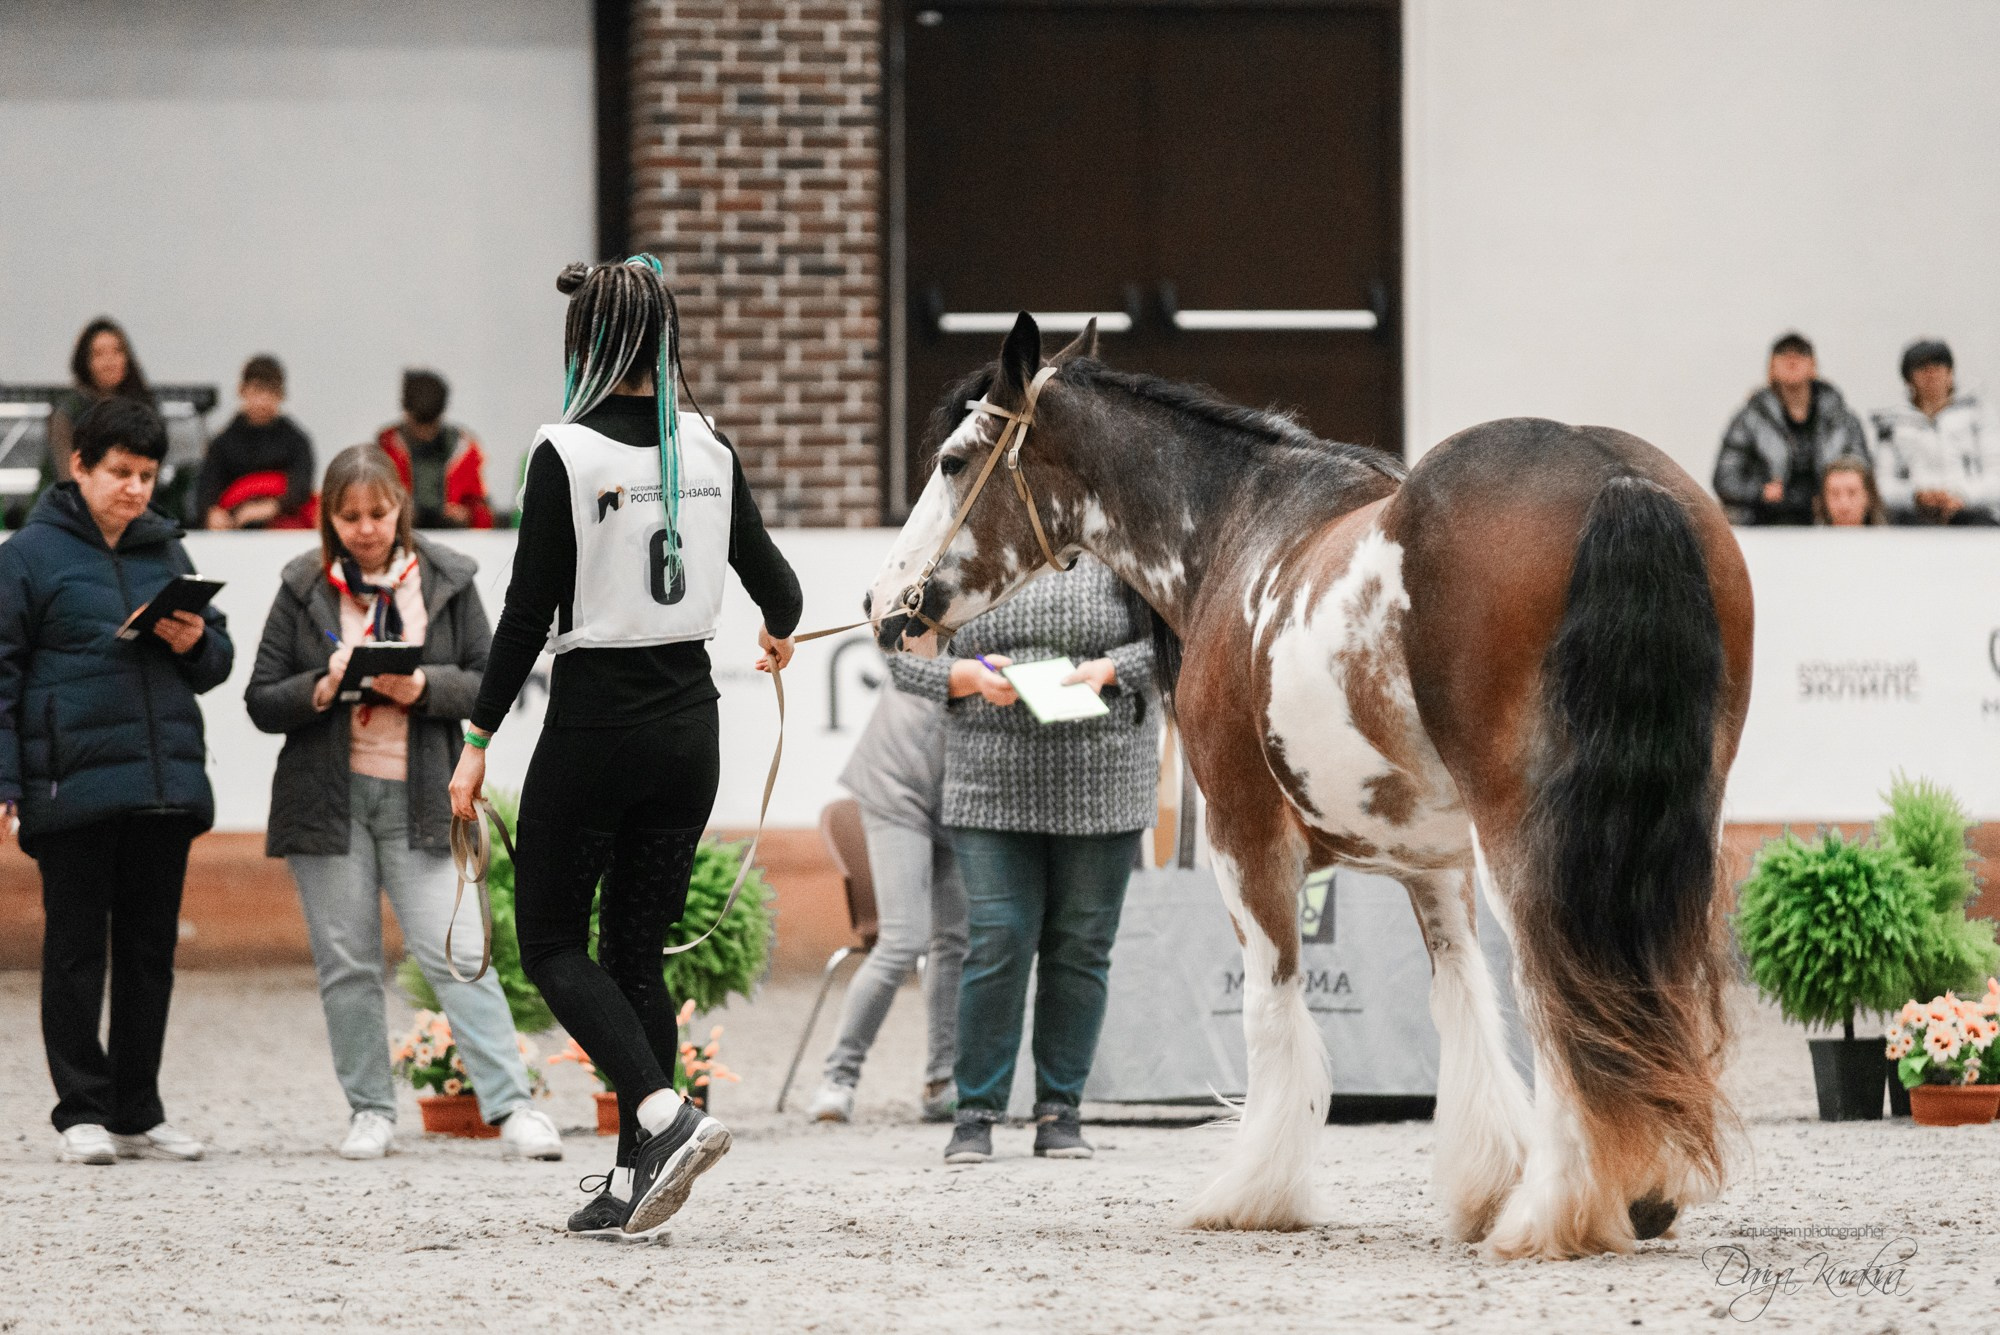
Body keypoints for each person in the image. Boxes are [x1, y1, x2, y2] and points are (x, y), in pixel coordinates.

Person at [449, 255, 802, 1240]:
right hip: (691, 725)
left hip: (597, 724)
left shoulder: (564, 451)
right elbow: (777, 585)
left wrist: (475, 737)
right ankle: (631, 1176)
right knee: (634, 955)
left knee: (552, 943)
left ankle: (657, 1114)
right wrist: (776, 631)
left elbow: (523, 617)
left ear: (587, 341)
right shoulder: (708, 445)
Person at [244, 444, 562, 1162]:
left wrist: (421, 687)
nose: (365, 528)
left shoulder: (448, 578)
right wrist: (321, 687)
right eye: (349, 515)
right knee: (348, 963)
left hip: (424, 795)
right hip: (326, 802)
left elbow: (490, 676)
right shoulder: (302, 585)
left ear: (401, 510)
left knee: (459, 953)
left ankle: (511, 1106)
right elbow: (262, 697)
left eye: (379, 513)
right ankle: (369, 1110)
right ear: (329, 516)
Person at [0, 398, 234, 1165]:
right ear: (79, 467)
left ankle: (138, 1107)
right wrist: (7, 778)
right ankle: (80, 1110)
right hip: (72, 787)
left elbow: (216, 662)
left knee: (148, 952)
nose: (136, 488)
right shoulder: (27, 555)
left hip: (163, 783)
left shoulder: (165, 550)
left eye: (146, 474)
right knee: (75, 951)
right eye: (120, 473)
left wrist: (197, 639)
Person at [886, 556, 1158, 1164]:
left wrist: (1110, 670)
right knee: (998, 939)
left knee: (1081, 944)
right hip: (989, 781)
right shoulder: (963, 550)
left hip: (1107, 777)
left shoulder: (1122, 548)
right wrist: (964, 677)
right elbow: (898, 653)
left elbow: (1178, 644)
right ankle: (975, 1113)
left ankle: (1061, 1111)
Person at [805, 680, 967, 1124]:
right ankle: (838, 1080)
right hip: (897, 784)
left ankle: (942, 1082)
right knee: (903, 939)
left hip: (962, 793)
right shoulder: (931, 617)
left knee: (954, 941)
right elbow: (899, 641)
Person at [1712, 331, 1870, 525]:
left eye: (1801, 354)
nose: (1792, 360)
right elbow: (1725, 478)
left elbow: (1863, 471)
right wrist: (1761, 491)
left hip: (1830, 520)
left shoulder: (1842, 419)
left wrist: (1835, 493)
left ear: (1814, 366)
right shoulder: (1749, 420)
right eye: (1783, 354)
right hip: (1765, 521)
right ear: (1771, 367)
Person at [1870, 339, 2000, 525]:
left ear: (1950, 372)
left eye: (1939, 365)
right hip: (1913, 517)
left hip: (1972, 514)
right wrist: (1915, 496)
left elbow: (1996, 477)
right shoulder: (1891, 423)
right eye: (1921, 367)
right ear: (1908, 379)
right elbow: (1880, 486)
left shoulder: (1979, 414)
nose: (1931, 373)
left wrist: (1961, 496)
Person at [198, 355, 316, 530]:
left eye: (271, 393)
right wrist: (213, 514)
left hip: (282, 523)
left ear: (281, 396)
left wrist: (270, 507)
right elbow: (207, 489)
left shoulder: (297, 441)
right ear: (242, 391)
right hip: (234, 528)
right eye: (257, 391)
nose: (263, 401)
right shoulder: (222, 443)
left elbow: (301, 487)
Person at [41, 317, 157, 493]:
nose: (109, 361)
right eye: (99, 354)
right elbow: (68, 476)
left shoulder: (143, 406)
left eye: (117, 351)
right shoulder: (69, 411)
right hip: (79, 507)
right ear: (85, 362)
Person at [375, 369, 495, 529]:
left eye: (431, 423)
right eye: (418, 423)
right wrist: (395, 513)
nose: (425, 432)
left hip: (455, 538)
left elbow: (482, 512)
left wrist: (467, 515)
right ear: (406, 413)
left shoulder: (465, 449)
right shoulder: (386, 447)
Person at [1814, 455, 1884, 527]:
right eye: (1835, 494)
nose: (1844, 504)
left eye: (1852, 493)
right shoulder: (1809, 537)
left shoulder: (1888, 537)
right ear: (1823, 499)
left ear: (1868, 497)